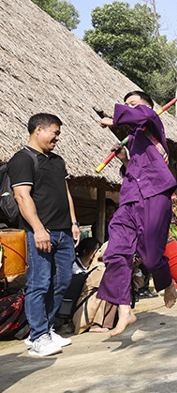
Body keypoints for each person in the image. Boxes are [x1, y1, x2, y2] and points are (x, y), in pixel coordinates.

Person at [96, 91, 177, 337]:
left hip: (155, 194)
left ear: (146, 107)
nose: (128, 107)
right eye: (126, 105)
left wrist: (115, 119)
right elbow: (135, 169)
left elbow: (141, 115)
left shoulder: (152, 123)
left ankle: (167, 282)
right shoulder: (132, 139)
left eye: (132, 104)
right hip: (130, 196)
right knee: (116, 252)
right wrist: (125, 160)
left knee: (151, 258)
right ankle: (124, 311)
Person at [8, 113, 81, 357]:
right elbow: (22, 197)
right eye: (55, 132)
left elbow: (66, 192)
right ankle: (38, 337)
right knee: (39, 283)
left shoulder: (58, 161)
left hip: (63, 232)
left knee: (63, 281)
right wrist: (38, 229)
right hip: (40, 232)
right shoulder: (22, 159)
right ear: (38, 130)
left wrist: (73, 222)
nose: (57, 138)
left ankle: (45, 329)